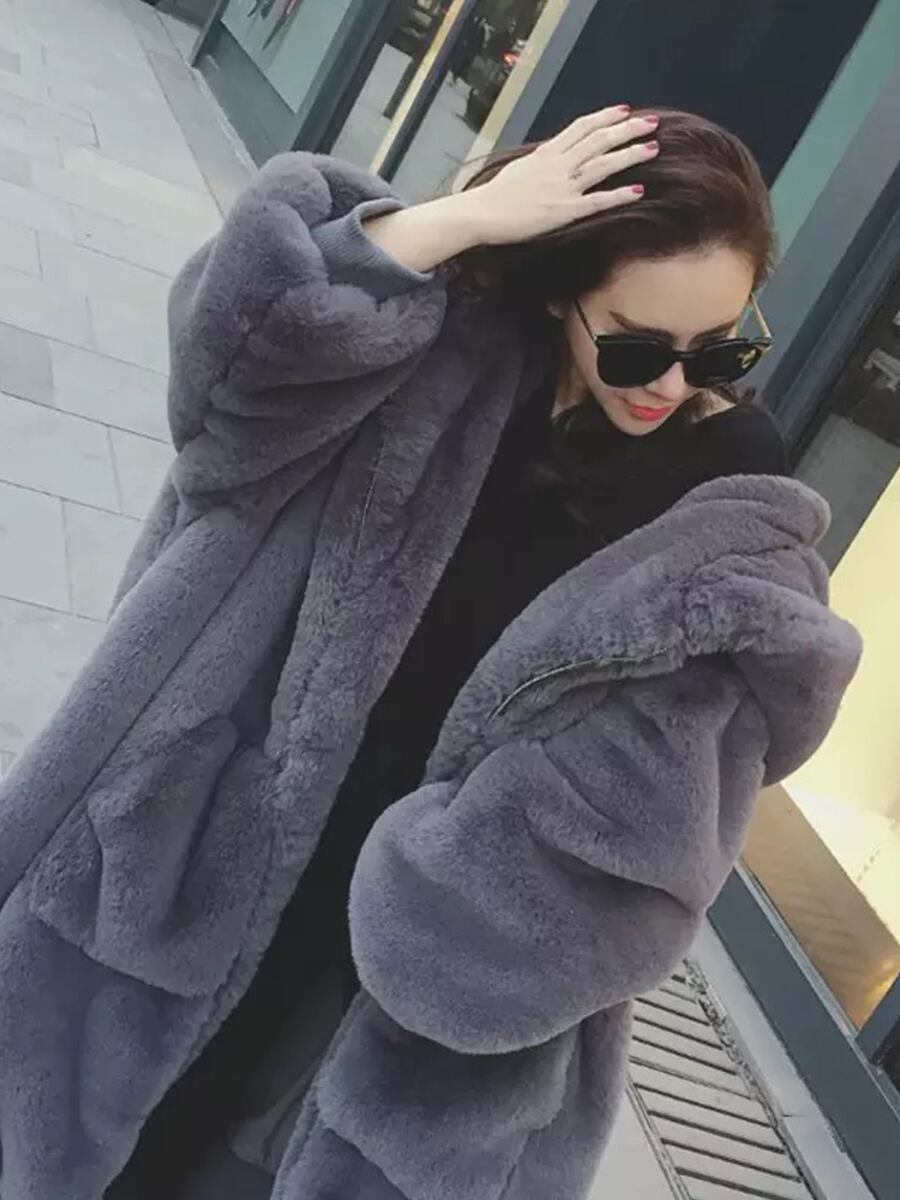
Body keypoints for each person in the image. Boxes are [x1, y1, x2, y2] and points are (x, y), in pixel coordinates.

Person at [0, 109, 860, 1200]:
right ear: (561, 293)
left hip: (424, 942)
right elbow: (228, 386)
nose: (673, 384)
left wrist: (461, 905)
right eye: (637, 344)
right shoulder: (425, 355)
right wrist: (460, 220)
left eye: (722, 349)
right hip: (202, 846)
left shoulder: (719, 507)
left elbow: (677, 811)